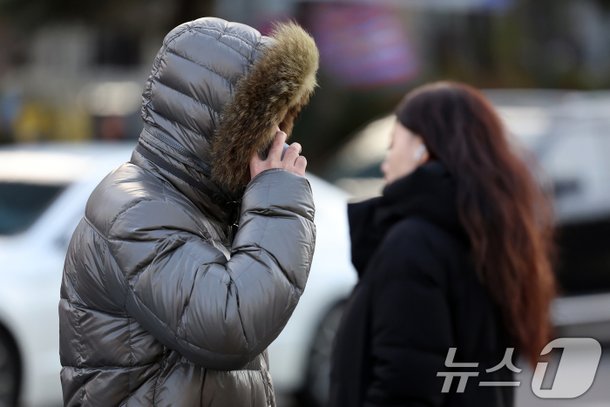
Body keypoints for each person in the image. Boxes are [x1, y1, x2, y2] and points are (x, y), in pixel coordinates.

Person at [59, 17, 319, 406]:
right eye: (266, 125)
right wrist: (280, 198)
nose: (280, 139)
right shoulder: (134, 211)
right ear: (219, 126)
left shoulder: (196, 209)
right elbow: (230, 325)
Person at [329, 81, 557, 407]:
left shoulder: (413, 244)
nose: (385, 162)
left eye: (393, 145)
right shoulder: (484, 233)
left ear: (422, 149)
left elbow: (405, 389)